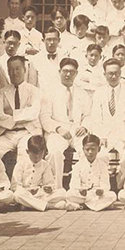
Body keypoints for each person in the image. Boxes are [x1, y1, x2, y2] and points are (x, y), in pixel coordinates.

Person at [40, 57, 91, 185]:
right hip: (57, 131)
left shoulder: (82, 93)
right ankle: (56, 188)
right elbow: (44, 117)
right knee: (55, 153)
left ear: (76, 74)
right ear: (59, 72)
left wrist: (84, 127)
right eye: (65, 71)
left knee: (87, 151)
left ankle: (84, 186)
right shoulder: (49, 92)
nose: (68, 74)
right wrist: (58, 129)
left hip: (77, 130)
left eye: (72, 72)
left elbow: (88, 115)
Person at [87, 58, 125, 187]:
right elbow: (96, 118)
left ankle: (120, 186)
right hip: (105, 136)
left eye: (116, 73)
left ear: (120, 73)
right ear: (104, 75)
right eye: (110, 74)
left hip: (122, 135)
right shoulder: (99, 92)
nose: (113, 76)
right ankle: (104, 186)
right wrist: (99, 137)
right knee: (101, 156)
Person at [0, 56, 42, 165]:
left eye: (18, 68)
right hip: (6, 133)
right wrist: (22, 117)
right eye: (11, 69)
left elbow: (33, 112)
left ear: (24, 70)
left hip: (27, 132)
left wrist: (11, 114)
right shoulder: (2, 92)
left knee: (25, 158)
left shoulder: (34, 91)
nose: (14, 72)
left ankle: (22, 182)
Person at [10, 135, 68, 211]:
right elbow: (14, 186)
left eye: (40, 154)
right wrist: (27, 190)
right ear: (27, 151)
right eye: (34, 154)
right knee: (17, 194)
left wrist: (48, 188)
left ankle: (29, 205)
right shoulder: (20, 164)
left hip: (39, 194)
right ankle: (49, 206)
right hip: (25, 193)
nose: (37, 157)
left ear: (45, 152)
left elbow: (49, 183)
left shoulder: (45, 165)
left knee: (62, 192)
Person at [64, 134, 118, 211]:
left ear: (98, 149)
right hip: (83, 195)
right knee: (68, 194)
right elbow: (73, 184)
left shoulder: (102, 165)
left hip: (97, 194)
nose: (90, 152)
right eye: (87, 149)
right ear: (83, 149)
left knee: (112, 195)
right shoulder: (78, 165)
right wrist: (80, 189)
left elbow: (105, 183)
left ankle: (82, 206)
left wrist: (101, 190)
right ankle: (99, 205)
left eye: (93, 149)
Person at [30, 27, 67, 96]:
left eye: (54, 39)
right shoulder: (35, 59)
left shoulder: (65, 57)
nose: (52, 42)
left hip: (60, 97)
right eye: (49, 40)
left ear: (59, 40)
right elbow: (32, 85)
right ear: (43, 40)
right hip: (43, 98)